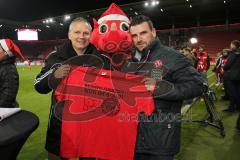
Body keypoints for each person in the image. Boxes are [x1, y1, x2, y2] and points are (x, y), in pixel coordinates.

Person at [125, 15, 205, 160]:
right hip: (134, 138)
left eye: (143, 33)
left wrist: (160, 88)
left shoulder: (172, 57)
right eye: (134, 35)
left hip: (161, 140)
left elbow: (199, 85)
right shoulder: (130, 60)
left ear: (153, 32)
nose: (139, 39)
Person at [34, 17, 102, 160]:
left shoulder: (100, 59)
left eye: (85, 33)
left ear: (91, 35)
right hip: (60, 125)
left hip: (90, 124)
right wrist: (54, 76)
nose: (81, 37)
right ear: (69, 35)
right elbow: (38, 86)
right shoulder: (56, 57)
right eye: (77, 32)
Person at [0, 39, 25, 108]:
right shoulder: (2, 66)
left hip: (4, 112)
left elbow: (8, 95)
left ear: (6, 52)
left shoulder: (8, 69)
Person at [223, 40, 240, 112]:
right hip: (238, 76)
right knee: (237, 91)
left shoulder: (233, 54)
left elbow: (227, 65)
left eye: (231, 44)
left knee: (232, 93)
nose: (230, 46)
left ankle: (233, 107)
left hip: (231, 76)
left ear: (234, 45)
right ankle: (234, 107)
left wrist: (224, 67)